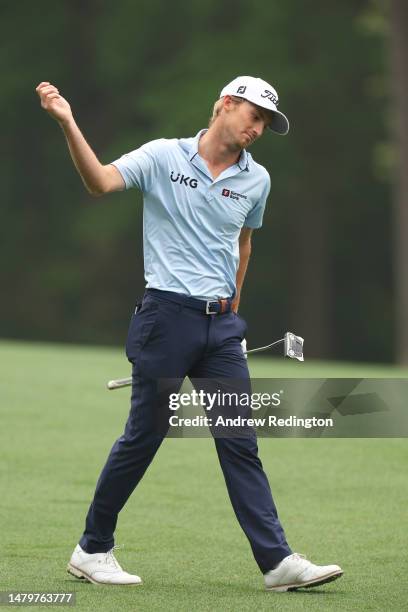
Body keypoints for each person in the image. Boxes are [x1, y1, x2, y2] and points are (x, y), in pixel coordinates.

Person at [36, 76, 343, 591]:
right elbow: (101, 183)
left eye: (266, 121)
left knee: (239, 441)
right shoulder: (163, 156)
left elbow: (243, 245)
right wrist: (68, 121)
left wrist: (232, 315)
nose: (257, 127)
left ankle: (277, 562)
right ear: (224, 104)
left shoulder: (257, 180)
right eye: (253, 113)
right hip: (165, 319)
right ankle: (92, 549)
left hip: (220, 328)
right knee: (145, 436)